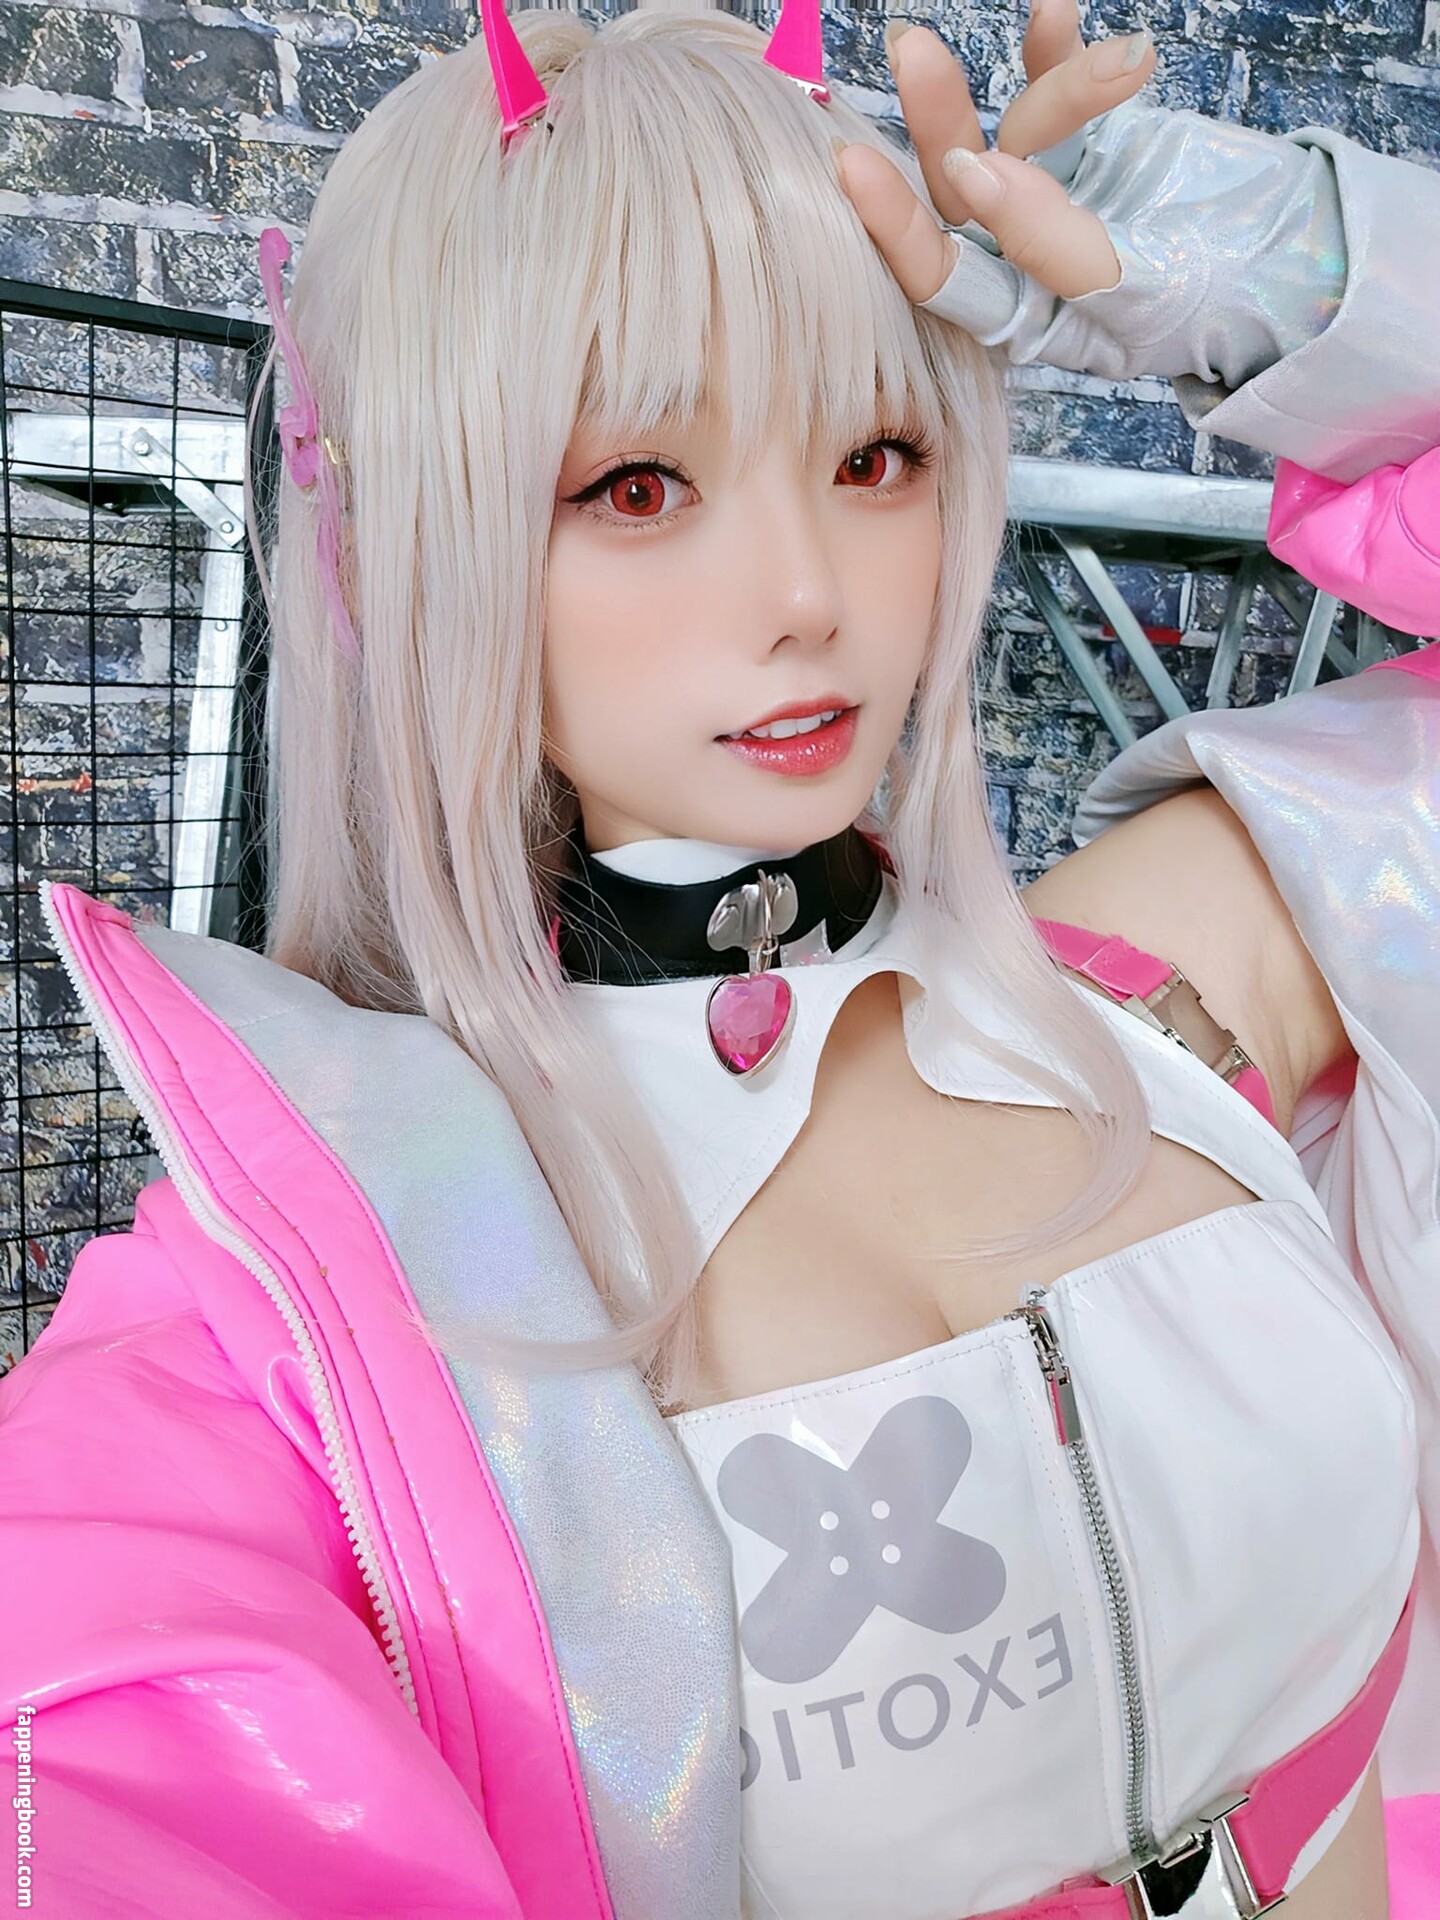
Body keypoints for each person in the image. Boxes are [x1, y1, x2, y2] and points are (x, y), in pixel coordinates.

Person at [1, 4, 1436, 1916]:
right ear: (416, 536)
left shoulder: (1174, 978)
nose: (806, 597)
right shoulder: (289, 1332)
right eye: (639, 488)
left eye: (876, 452)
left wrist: (1286, 275)